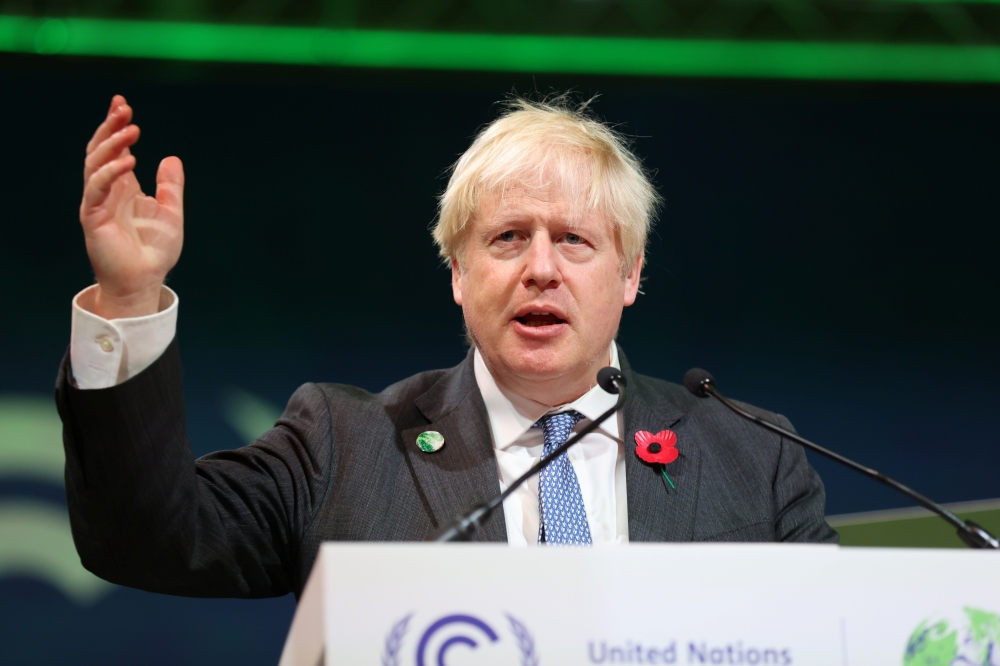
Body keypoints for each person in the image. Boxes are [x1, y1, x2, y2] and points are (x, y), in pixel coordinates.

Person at [57, 94, 837, 599]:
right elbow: (146, 538)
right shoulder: (346, 447)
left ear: (630, 275)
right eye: (507, 238)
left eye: (574, 240)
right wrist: (128, 299)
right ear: (459, 273)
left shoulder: (751, 459)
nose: (540, 268)